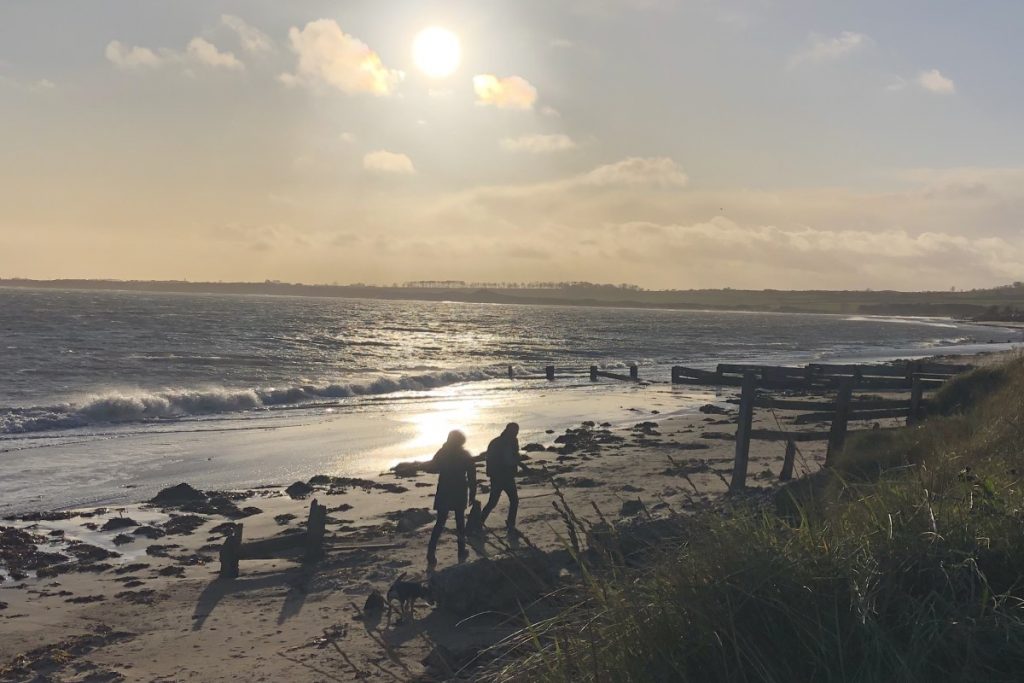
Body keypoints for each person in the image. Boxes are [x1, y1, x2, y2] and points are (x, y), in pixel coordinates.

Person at [425, 430, 477, 568]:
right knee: (460, 521)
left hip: (444, 488)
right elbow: (472, 475)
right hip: (459, 489)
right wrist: (473, 493)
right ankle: (461, 551)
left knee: (440, 522)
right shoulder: (464, 455)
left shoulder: (443, 452)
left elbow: (432, 467)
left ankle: (431, 553)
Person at [479, 422, 526, 533]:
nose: (516, 433)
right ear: (509, 430)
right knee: (497, 501)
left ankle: (509, 524)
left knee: (508, 501)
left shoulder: (511, 441)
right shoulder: (500, 442)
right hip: (501, 476)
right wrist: (524, 468)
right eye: (515, 431)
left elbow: (515, 457)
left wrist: (524, 467)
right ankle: (480, 523)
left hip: (504, 475)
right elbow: (509, 459)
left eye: (517, 431)